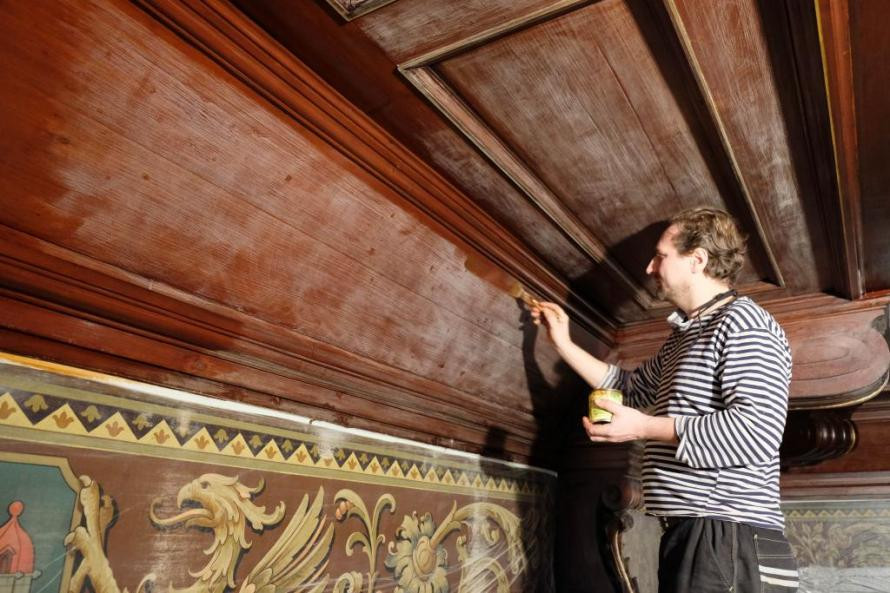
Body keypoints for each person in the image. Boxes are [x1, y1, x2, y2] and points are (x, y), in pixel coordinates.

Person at [532, 208, 798, 593]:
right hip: (701, 534)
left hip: (727, 536)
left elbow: (755, 432)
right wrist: (563, 343)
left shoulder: (744, 323)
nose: (649, 267)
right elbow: (630, 388)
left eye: (660, 256)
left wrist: (642, 426)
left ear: (697, 260)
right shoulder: (685, 336)